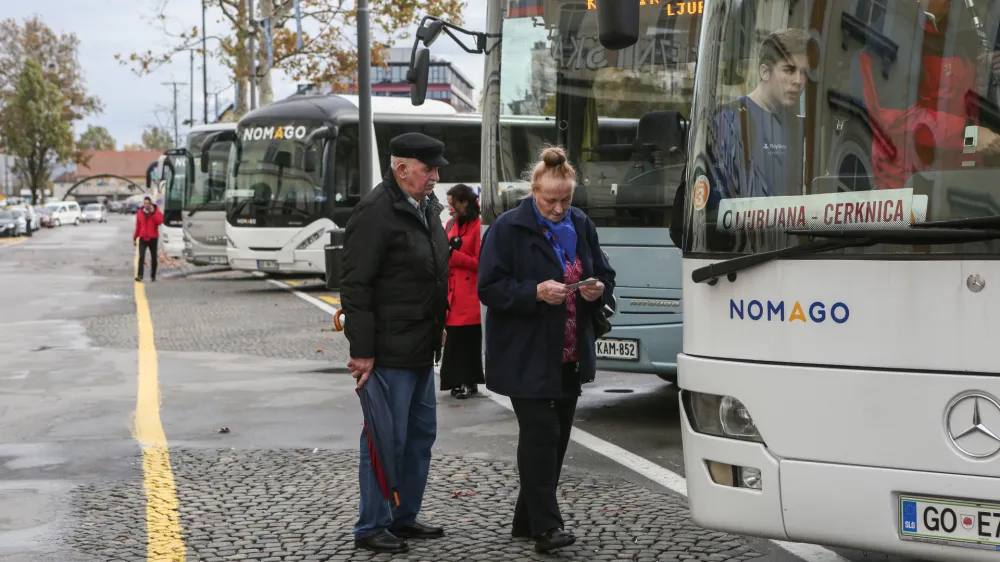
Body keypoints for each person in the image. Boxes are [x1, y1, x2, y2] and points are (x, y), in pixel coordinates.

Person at [478, 146, 616, 554]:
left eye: (566, 200)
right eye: (550, 201)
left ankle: (527, 519)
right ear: (533, 192)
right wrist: (534, 292)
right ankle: (546, 528)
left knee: (555, 442)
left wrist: (596, 287)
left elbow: (604, 272)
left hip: (570, 353)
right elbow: (489, 288)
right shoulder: (507, 228)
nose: (558, 209)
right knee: (541, 434)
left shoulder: (581, 223)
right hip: (526, 353)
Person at [340, 132, 450, 555]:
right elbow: (356, 287)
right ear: (402, 169)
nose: (435, 177)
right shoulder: (375, 212)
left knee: (420, 435)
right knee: (385, 438)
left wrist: (440, 324)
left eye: (436, 169)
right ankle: (372, 524)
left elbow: (434, 272)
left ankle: (404, 516)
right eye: (428, 169)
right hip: (387, 350)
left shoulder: (427, 207)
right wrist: (362, 349)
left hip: (421, 344)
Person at [710, 27, 810, 202]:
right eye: (789, 70)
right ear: (765, 72)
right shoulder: (728, 122)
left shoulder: (802, 129)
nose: (798, 81)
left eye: (804, 73)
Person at [439, 183, 485, 399]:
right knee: (454, 340)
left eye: (452, 204)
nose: (450, 208)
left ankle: (469, 381)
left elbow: (480, 262)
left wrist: (454, 256)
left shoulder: (478, 226)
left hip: (469, 294)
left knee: (467, 339)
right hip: (452, 292)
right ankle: (456, 381)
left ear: (464, 202)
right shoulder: (450, 224)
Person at [133, 196, 163, 282]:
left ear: (150, 204)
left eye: (147, 203)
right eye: (144, 203)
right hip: (143, 237)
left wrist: (153, 213)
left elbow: (160, 221)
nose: (146, 205)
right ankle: (140, 275)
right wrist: (135, 238)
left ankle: (153, 276)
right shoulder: (140, 213)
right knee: (141, 256)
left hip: (153, 238)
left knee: (154, 258)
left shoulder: (156, 212)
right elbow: (138, 226)